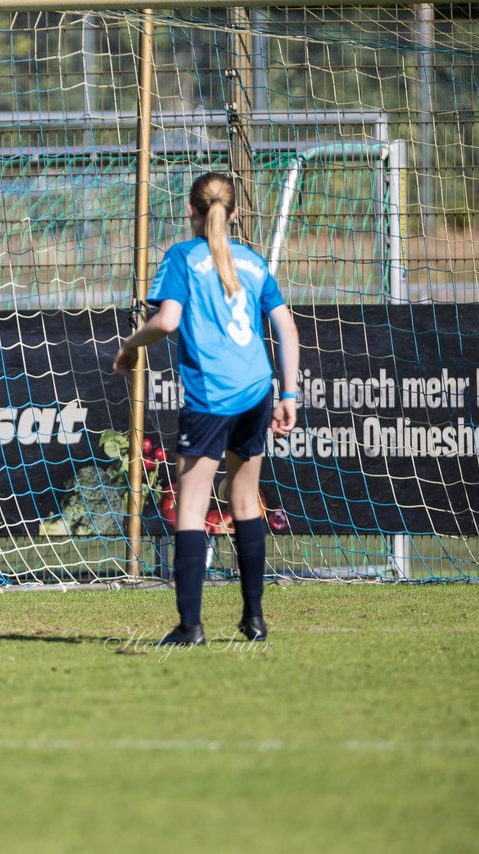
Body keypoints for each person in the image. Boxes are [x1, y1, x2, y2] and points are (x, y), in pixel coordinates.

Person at [113, 172, 300, 646]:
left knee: (193, 507)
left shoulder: (182, 256)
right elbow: (287, 329)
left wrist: (131, 345)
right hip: (257, 391)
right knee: (244, 502)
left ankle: (190, 626)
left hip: (212, 395)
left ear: (190, 211)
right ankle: (254, 619)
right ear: (235, 213)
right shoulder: (254, 262)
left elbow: (168, 320)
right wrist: (289, 396)